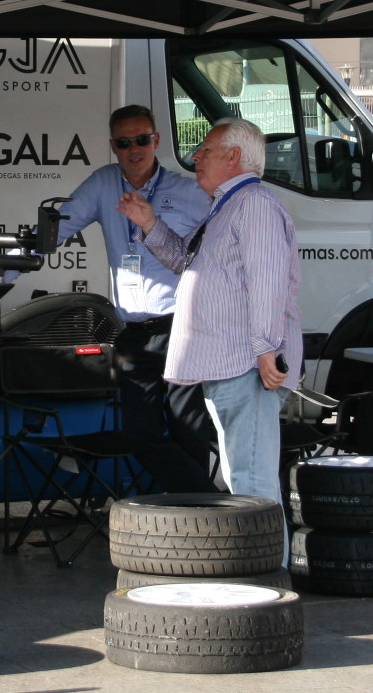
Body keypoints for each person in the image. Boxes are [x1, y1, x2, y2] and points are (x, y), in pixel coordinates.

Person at [118, 117, 301, 503]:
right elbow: (185, 261)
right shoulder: (226, 207)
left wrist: (266, 348)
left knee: (251, 482)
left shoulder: (253, 204)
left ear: (233, 157)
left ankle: (265, 546)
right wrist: (149, 223)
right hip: (229, 364)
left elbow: (267, 280)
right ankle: (256, 544)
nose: (196, 157)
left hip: (246, 365)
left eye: (206, 149)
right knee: (242, 478)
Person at [56, 104, 217, 493]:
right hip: (133, 332)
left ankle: (193, 516)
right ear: (114, 146)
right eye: (125, 143)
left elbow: (222, 248)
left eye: (142, 140)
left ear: (156, 140)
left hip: (182, 326)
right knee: (140, 434)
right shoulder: (103, 183)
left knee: (188, 429)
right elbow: (57, 228)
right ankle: (210, 504)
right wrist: (7, 270)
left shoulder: (189, 191)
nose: (135, 149)